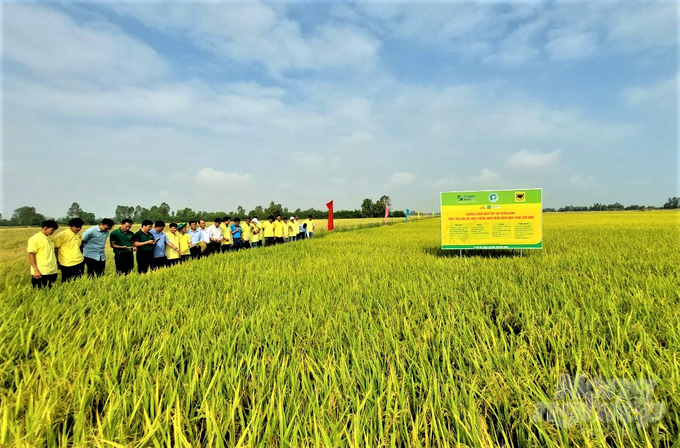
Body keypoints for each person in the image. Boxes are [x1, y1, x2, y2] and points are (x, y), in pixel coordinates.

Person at [27, 220, 59, 288]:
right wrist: (36, 270)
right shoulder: (35, 239)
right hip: (41, 272)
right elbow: (31, 255)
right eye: (52, 230)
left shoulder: (49, 239)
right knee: (38, 293)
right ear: (45, 228)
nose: (53, 232)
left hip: (52, 271)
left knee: (51, 292)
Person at [53, 217, 85, 282]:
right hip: (67, 263)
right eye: (76, 227)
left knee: (79, 281)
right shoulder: (62, 235)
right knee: (66, 281)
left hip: (79, 261)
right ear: (71, 226)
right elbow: (56, 249)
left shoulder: (78, 234)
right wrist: (57, 261)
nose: (78, 228)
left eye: (80, 227)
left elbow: (79, 247)